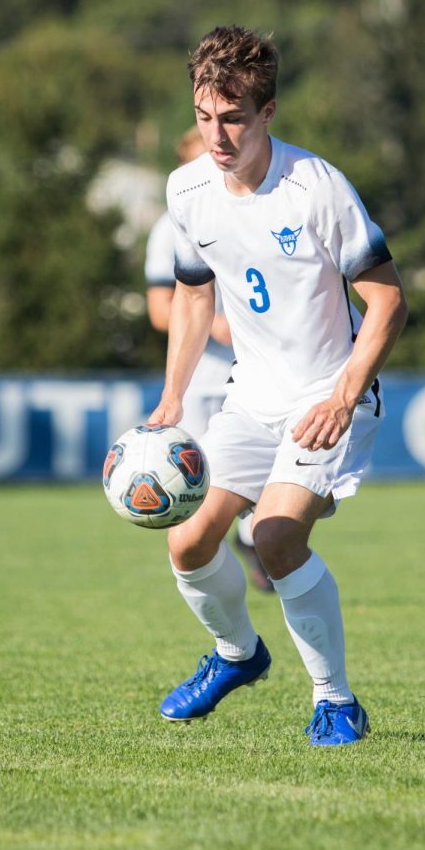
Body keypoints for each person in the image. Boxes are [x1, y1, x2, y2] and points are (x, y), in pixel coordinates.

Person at [148, 25, 408, 747]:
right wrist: (173, 399)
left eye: (232, 117)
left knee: (274, 537)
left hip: (330, 392)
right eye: (204, 117)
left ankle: (336, 700)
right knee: (189, 541)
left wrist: (343, 394)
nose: (216, 135)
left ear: (267, 112)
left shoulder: (317, 188)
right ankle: (237, 653)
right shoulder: (188, 190)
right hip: (249, 397)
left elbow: (387, 303)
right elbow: (194, 295)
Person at [145, 126, 272, 593]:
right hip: (203, 380)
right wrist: (216, 325)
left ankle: (253, 544)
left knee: (257, 485)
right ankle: (220, 575)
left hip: (259, 376)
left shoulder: (258, 207)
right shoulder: (171, 225)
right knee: (204, 490)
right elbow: (163, 307)